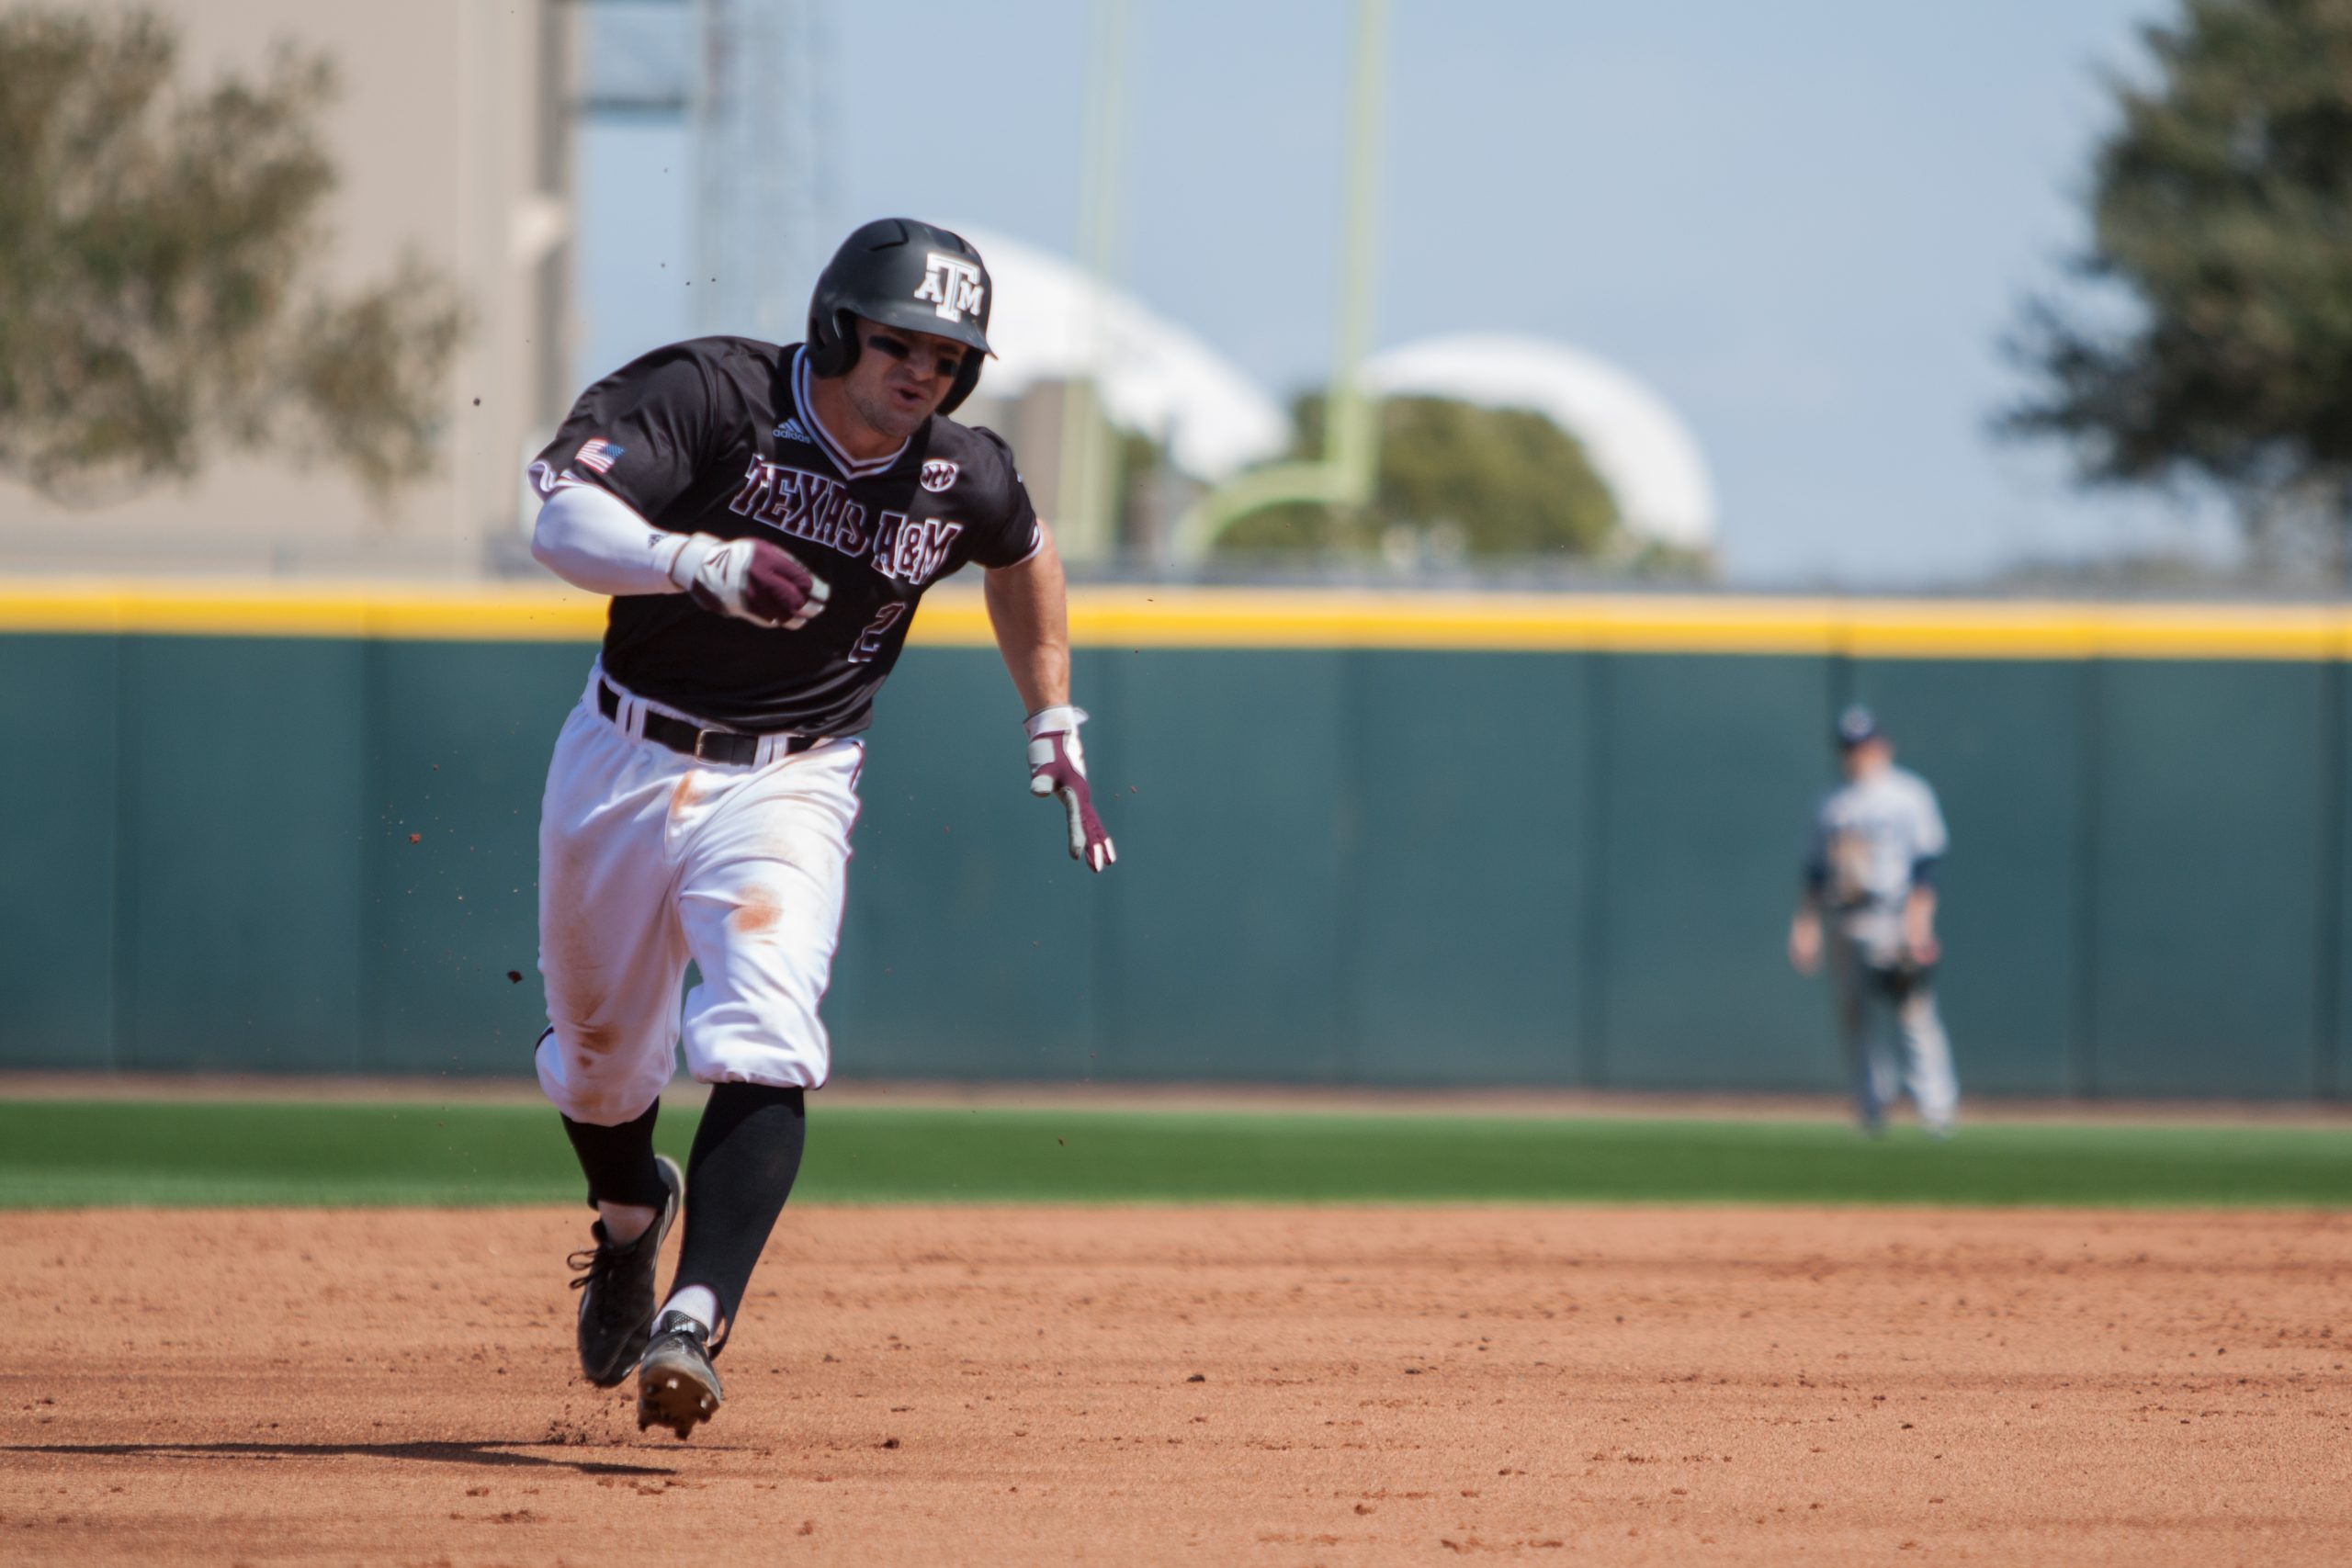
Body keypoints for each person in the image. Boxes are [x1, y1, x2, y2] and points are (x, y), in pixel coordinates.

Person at [522, 218, 1115, 1438]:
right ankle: (634, 1218)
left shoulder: (960, 470)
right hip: (626, 753)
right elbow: (559, 519)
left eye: (950, 357)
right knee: (597, 1063)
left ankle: (695, 1313)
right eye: (900, 342)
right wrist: (693, 561)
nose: (925, 373)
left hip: (795, 773)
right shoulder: (715, 395)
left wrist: (1051, 702)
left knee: (767, 1028)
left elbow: (1026, 551)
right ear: (840, 324)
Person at [1787, 705, 1956, 1137]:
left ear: (1883, 745)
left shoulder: (1909, 794)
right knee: (1854, 1016)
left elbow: (1925, 868)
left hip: (1894, 916)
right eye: (1850, 747)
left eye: (1864, 745)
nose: (1857, 754)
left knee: (1912, 1012)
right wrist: (1806, 926)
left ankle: (1936, 1110)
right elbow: (1815, 873)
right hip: (1846, 917)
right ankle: (1871, 1108)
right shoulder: (1831, 803)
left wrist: (1918, 925)